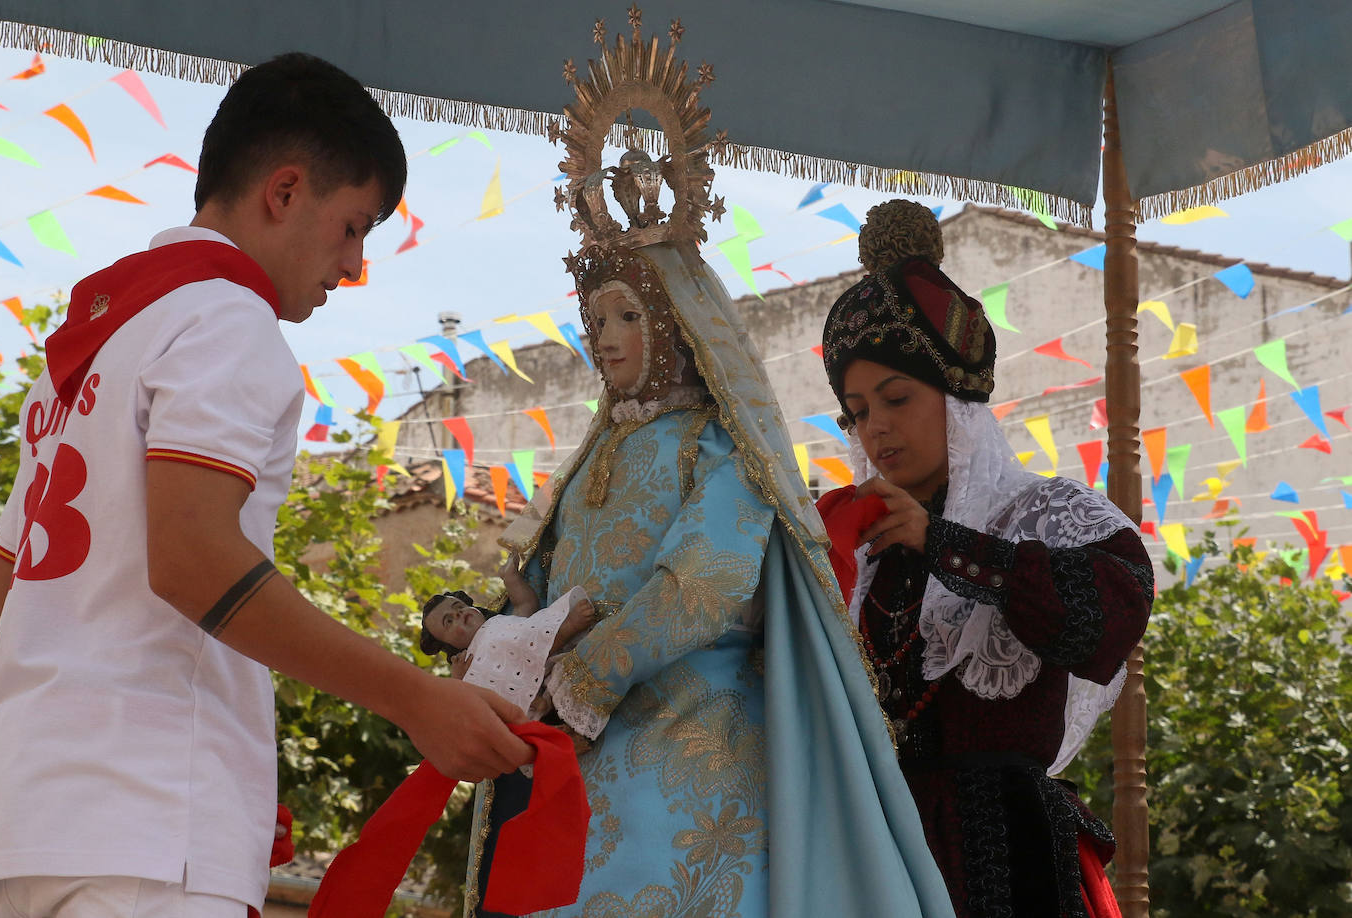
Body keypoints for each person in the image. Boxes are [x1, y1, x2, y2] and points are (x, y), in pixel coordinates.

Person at [0, 52, 531, 918]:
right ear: (283, 191)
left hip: (35, 826)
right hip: (153, 821)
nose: (352, 267)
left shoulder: (81, 356)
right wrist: (418, 698)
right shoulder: (225, 319)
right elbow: (194, 560)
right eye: (352, 226)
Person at [464, 19, 955, 918]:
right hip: (573, 746)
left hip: (687, 743)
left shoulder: (719, 446)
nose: (602, 338)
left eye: (622, 316)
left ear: (676, 328)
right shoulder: (593, 455)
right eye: (594, 316)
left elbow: (705, 584)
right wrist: (495, 635)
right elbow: (542, 584)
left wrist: (583, 673)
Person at [817, 199, 1153, 918]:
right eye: (856, 410)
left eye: (896, 397)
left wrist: (945, 544)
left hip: (1009, 853)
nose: (876, 427)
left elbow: (1111, 614)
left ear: (956, 397)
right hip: (876, 857)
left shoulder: (1039, 514)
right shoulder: (859, 549)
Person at [419, 555, 596, 716]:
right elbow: (467, 700)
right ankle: (535, 703)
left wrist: (510, 577)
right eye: (449, 621)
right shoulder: (468, 663)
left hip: (546, 671)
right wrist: (458, 677)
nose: (458, 614)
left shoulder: (497, 625)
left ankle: (569, 627)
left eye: (459, 607)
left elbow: (525, 605)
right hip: (521, 709)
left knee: (529, 636)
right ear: (449, 644)